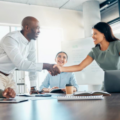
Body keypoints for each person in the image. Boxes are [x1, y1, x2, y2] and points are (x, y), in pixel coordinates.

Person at [0, 16, 60, 98]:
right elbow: (20, 64)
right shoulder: (11, 39)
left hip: (9, 76)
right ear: (27, 27)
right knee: (3, 100)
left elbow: (33, 63)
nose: (39, 31)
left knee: (12, 102)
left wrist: (33, 87)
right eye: (37, 28)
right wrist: (47, 66)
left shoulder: (31, 42)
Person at [54, 22, 120, 90]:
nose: (92, 36)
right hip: (108, 82)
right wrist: (61, 68)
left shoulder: (117, 44)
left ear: (104, 33)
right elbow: (80, 67)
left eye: (95, 33)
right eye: (92, 34)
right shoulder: (94, 51)